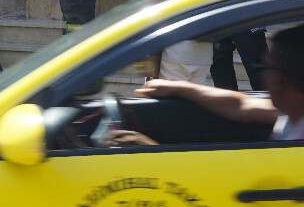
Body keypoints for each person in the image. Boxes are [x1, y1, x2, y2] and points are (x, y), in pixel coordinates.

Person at [103, 23, 304, 146]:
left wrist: (150, 149)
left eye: (264, 66)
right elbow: (241, 105)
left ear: (281, 80)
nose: (262, 72)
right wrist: (179, 88)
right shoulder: (292, 113)